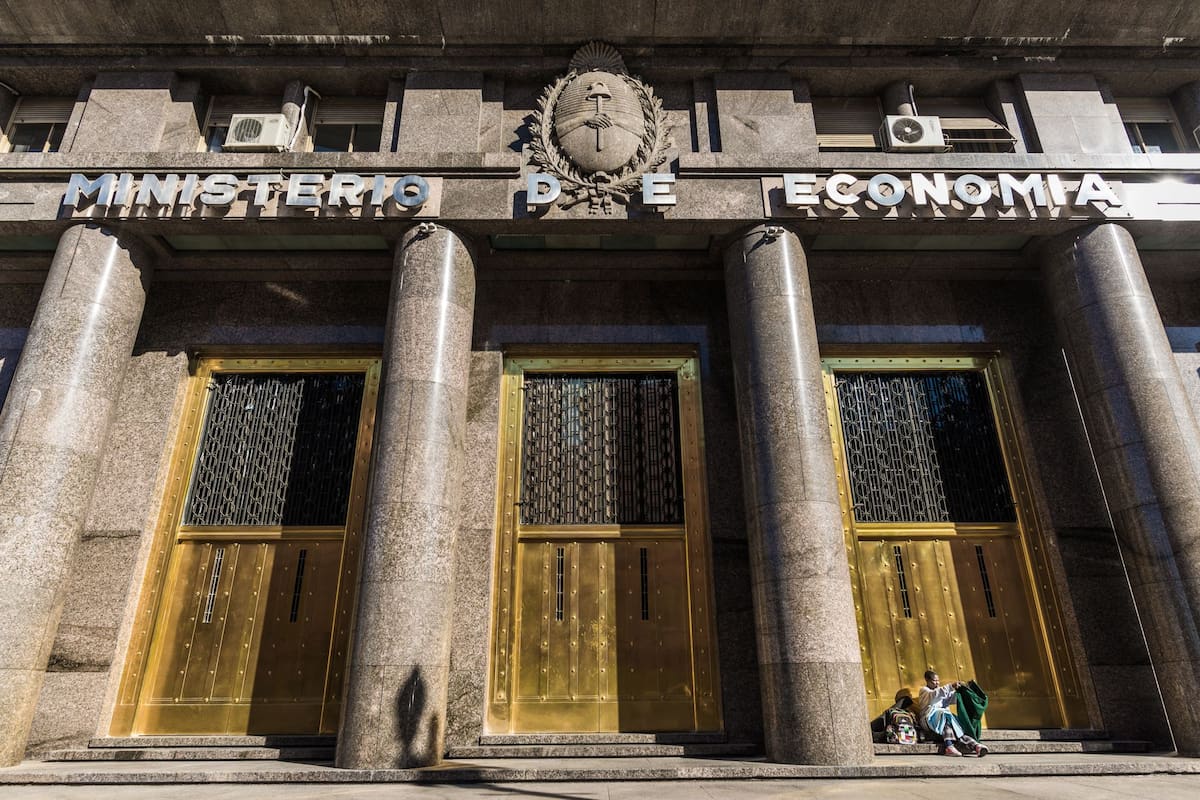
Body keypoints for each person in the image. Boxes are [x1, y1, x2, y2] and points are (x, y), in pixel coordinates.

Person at [915, 669, 989, 757]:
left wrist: (963, 690)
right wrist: (951, 686)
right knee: (945, 716)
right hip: (928, 718)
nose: (937, 683)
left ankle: (976, 746)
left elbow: (951, 698)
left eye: (938, 680)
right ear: (927, 680)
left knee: (957, 726)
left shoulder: (940, 691)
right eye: (934, 681)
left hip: (943, 718)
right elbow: (935, 695)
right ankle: (949, 746)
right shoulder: (924, 691)